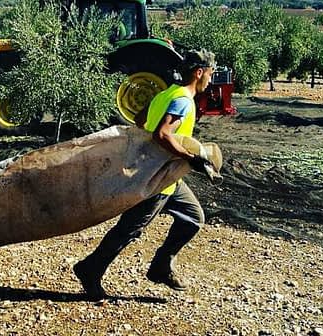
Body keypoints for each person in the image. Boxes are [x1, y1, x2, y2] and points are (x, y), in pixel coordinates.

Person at [73, 49, 216, 300]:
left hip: (166, 175)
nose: (211, 80)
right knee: (130, 229)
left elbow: (140, 120)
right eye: (211, 74)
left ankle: (161, 266)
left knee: (193, 218)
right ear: (199, 72)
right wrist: (191, 158)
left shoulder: (166, 93)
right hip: (156, 179)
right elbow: (162, 134)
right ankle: (90, 268)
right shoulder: (183, 99)